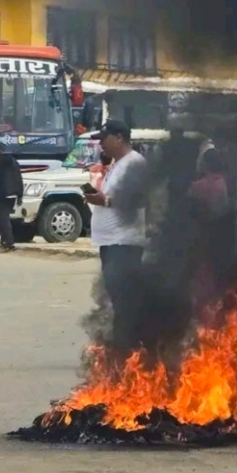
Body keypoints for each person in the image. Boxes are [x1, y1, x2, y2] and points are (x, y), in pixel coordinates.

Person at [82, 120, 149, 346]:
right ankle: (127, 343)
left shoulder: (135, 164)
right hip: (110, 242)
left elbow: (141, 199)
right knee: (117, 297)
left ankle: (129, 345)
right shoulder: (117, 164)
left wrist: (106, 200)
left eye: (104, 139)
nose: (101, 144)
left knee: (125, 298)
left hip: (125, 243)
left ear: (119, 137)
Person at [0, 146, 23, 252]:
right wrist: (20, 194)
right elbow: (19, 178)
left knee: (3, 218)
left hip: (2, 193)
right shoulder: (13, 161)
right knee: (3, 217)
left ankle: (9, 242)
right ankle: (4, 240)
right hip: (13, 194)